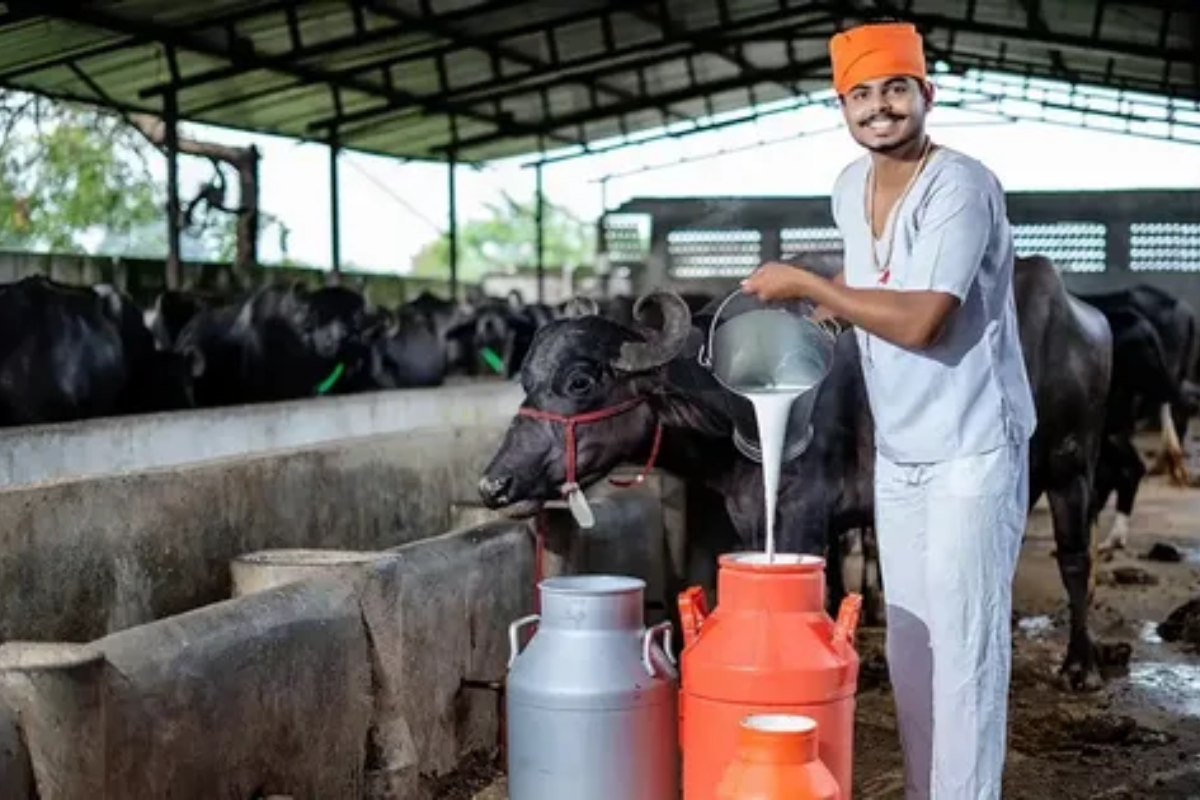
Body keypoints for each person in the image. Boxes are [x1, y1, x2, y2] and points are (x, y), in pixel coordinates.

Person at [740, 20, 1038, 800]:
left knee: (966, 649)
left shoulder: (961, 184)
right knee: (910, 642)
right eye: (860, 94)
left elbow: (921, 319)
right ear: (842, 106)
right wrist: (821, 320)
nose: (879, 108)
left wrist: (808, 287)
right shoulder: (849, 185)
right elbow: (869, 271)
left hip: (972, 447)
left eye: (895, 89)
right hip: (903, 451)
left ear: (925, 95)